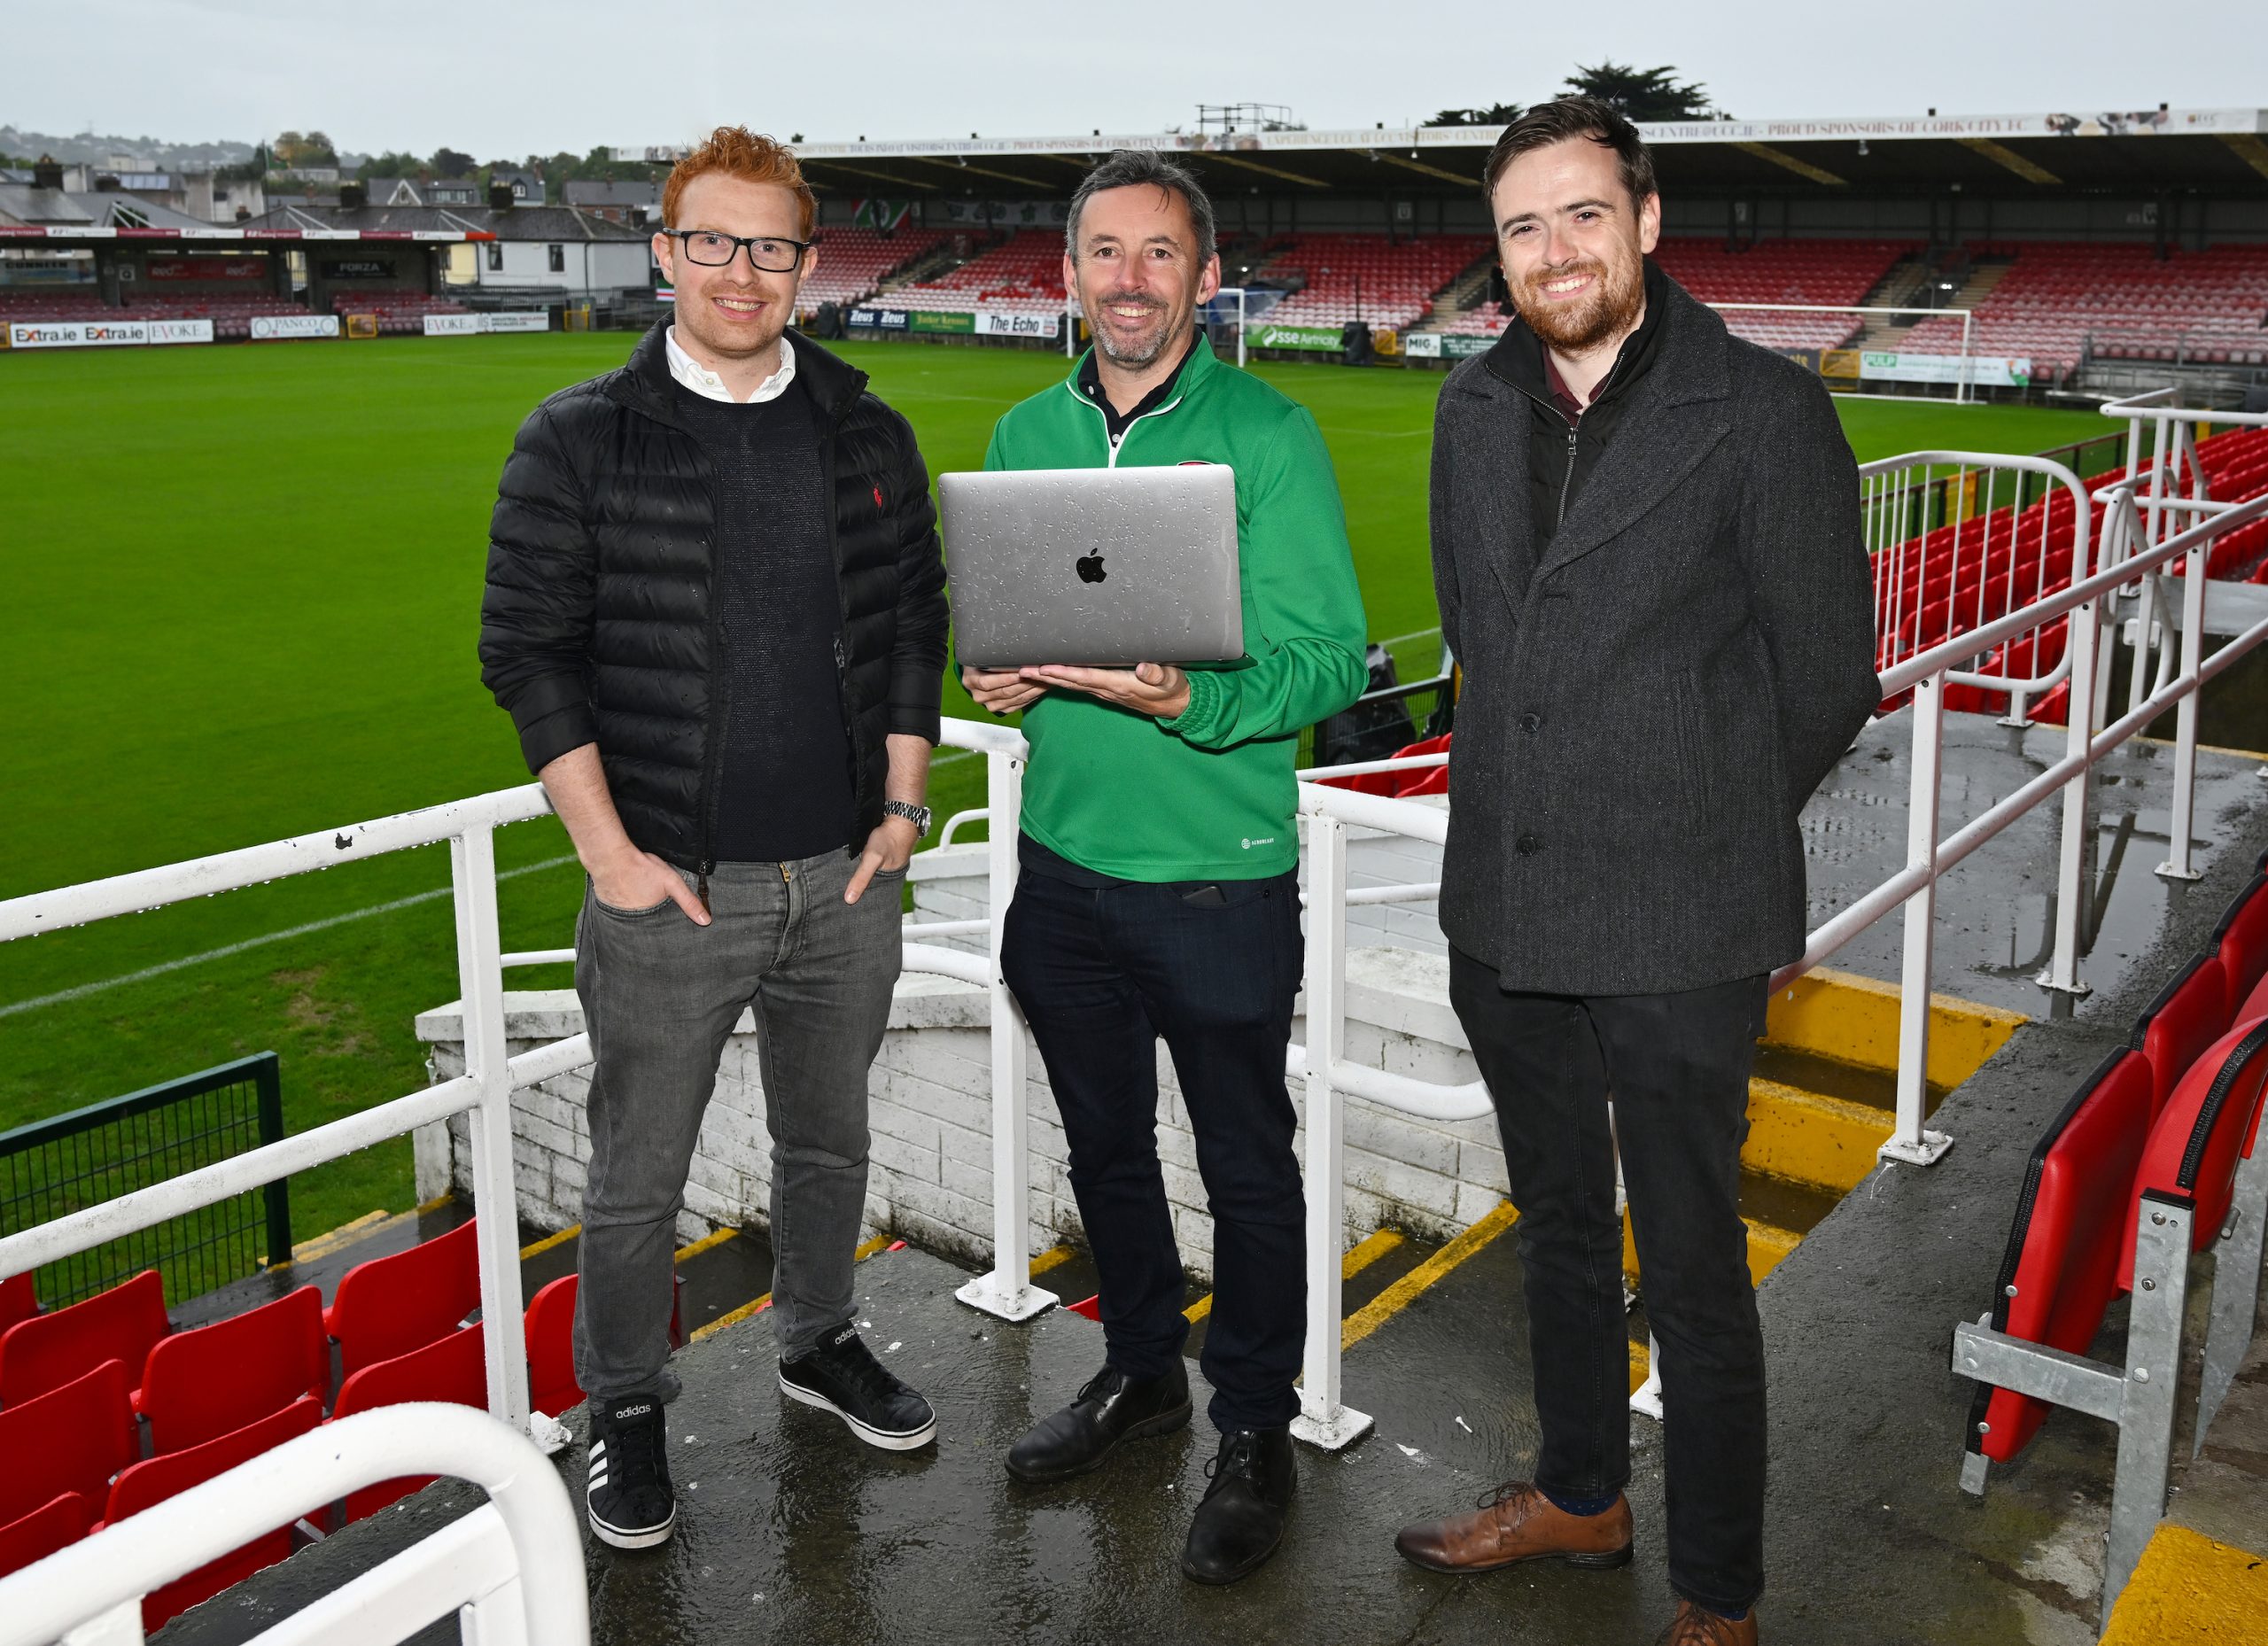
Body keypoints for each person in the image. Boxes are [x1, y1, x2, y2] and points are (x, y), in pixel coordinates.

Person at [1391, 98, 1880, 1646]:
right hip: (1509, 912)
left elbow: (1828, 682)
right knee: (1550, 1225)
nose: (1554, 250)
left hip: (1685, 919)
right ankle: (1583, 1497)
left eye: (1583, 214)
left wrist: (1700, 820)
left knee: (1691, 1268)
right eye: (1524, 225)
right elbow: (1486, 638)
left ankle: (1719, 1596)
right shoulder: (1473, 410)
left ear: (1648, 222)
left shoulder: (1764, 410)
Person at [479, 126, 949, 1551]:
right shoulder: (577, 435)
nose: (744, 272)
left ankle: (817, 1337)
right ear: (668, 251)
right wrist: (612, 857)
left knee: (830, 1142)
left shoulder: (866, 427)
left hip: (846, 876)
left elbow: (915, 616)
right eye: (714, 241)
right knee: (636, 1179)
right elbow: (529, 653)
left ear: (809, 264)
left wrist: (905, 805)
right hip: (669, 887)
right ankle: (624, 1402)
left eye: (773, 246)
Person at [961, 149, 1369, 1586]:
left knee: (1248, 1169)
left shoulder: (1270, 432)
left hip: (1218, 877)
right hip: (1063, 872)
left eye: (1158, 254)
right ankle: (1143, 1371)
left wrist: (1185, 699)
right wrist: (1002, 673)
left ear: (1205, 276)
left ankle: (1253, 1425)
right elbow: (1002, 624)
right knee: (1107, 1152)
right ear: (1068, 273)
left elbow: (1328, 661)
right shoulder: (1021, 430)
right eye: (1103, 253)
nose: (1128, 281)